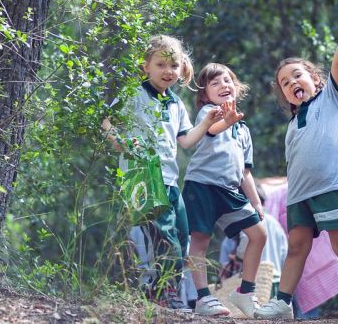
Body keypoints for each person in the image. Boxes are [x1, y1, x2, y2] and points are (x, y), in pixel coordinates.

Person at [255, 3, 338, 320]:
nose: (292, 83)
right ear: (284, 95)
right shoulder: (291, 125)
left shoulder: (330, 100)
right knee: (296, 246)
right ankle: (283, 302)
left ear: (314, 78)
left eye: (297, 75)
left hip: (331, 184)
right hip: (300, 195)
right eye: (285, 83)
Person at [101, 35, 223, 311]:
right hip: (142, 177)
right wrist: (121, 142)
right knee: (164, 237)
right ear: (146, 66)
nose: (168, 71)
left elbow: (186, 141)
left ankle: (161, 290)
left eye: (174, 65)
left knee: (181, 236)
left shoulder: (176, 103)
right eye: (161, 65)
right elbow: (108, 122)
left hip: (169, 180)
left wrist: (207, 122)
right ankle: (163, 292)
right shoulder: (134, 94)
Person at [183, 63, 267, 317]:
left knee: (260, 234)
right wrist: (225, 120)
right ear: (205, 94)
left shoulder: (243, 130)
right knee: (200, 240)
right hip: (202, 186)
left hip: (230, 191)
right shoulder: (208, 113)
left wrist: (256, 203)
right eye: (214, 83)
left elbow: (245, 173)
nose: (223, 86)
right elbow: (211, 130)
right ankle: (203, 298)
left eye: (227, 80)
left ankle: (245, 293)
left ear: (236, 87)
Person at [236, 185, 288, 299]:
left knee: (254, 314)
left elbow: (243, 245)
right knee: (274, 315)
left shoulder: (249, 222)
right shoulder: (275, 223)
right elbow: (285, 252)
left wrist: (238, 256)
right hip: (276, 278)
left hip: (256, 279)